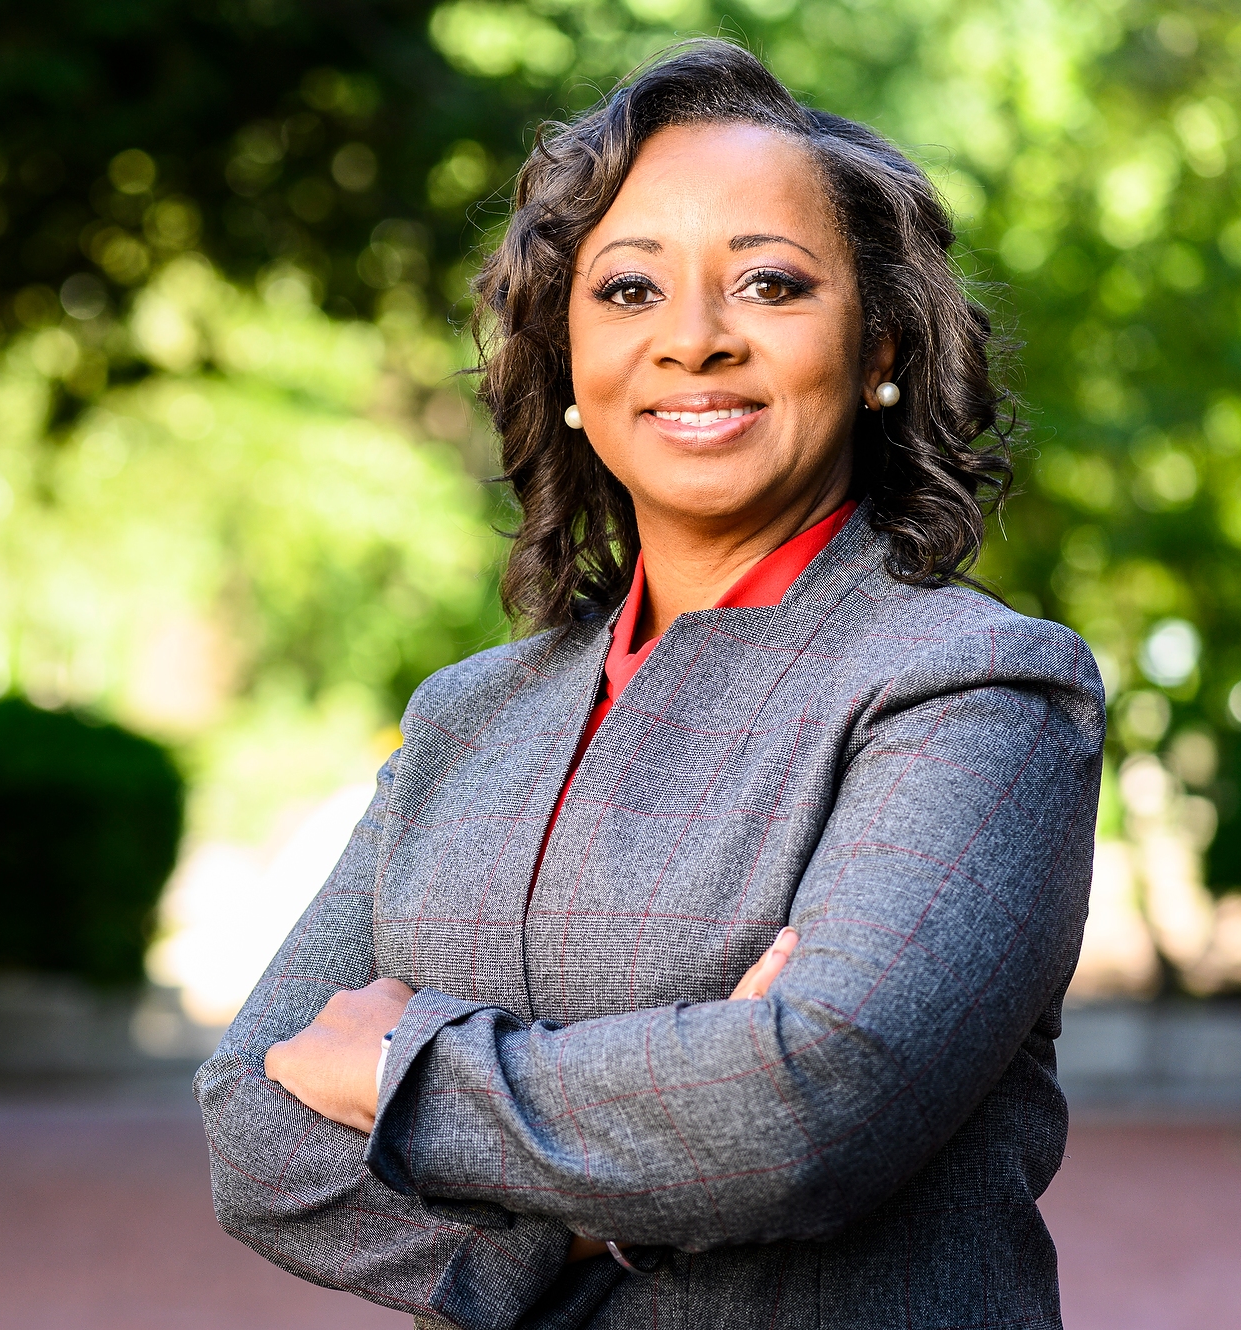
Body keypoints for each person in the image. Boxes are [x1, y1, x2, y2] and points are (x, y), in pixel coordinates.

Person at [196, 38, 1103, 1330]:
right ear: (566, 361)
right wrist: (614, 1194)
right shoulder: (468, 718)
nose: (694, 340)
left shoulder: (976, 690)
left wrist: (403, 1066)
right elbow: (254, 1126)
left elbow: (802, 1110)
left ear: (881, 347)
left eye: (771, 283)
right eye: (627, 291)